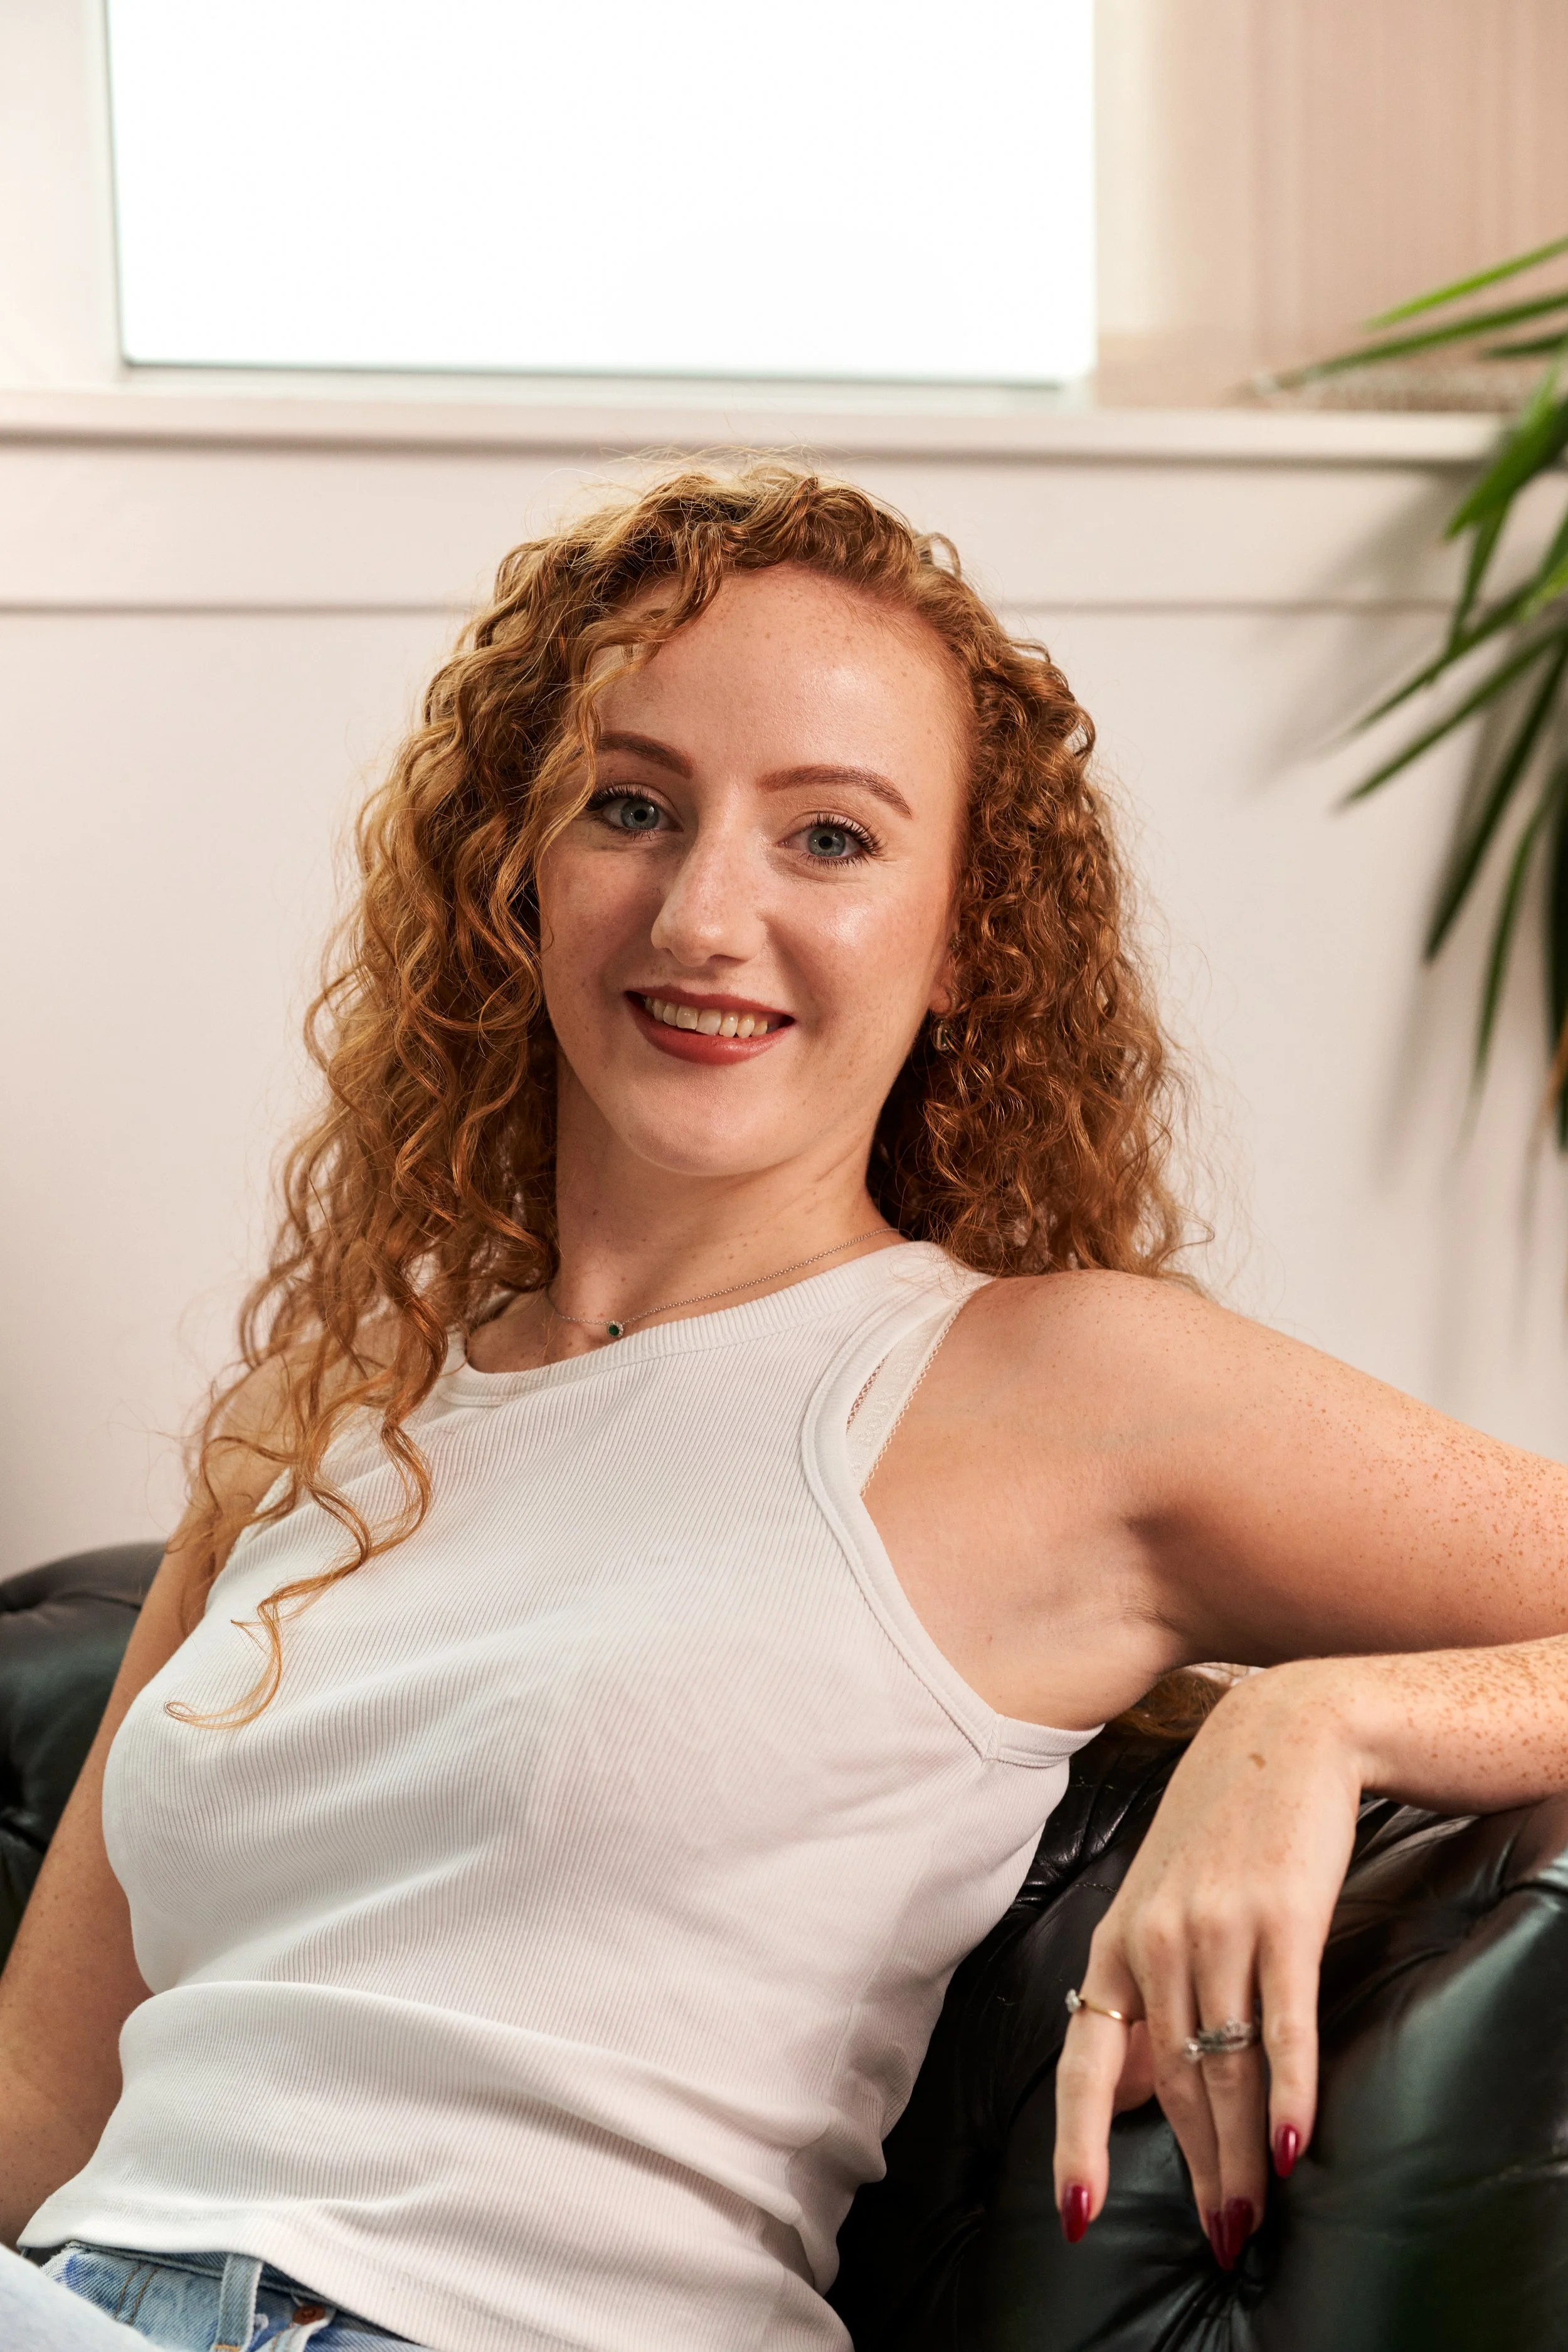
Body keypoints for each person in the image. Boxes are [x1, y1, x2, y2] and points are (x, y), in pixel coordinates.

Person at [2, 462, 1567, 2352]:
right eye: (630, 806)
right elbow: (40, 2109)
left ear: (967, 927)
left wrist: (1322, 1723)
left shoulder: (1053, 1384)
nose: (702, 910)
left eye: (828, 838)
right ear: (517, 866)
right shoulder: (331, 1405)